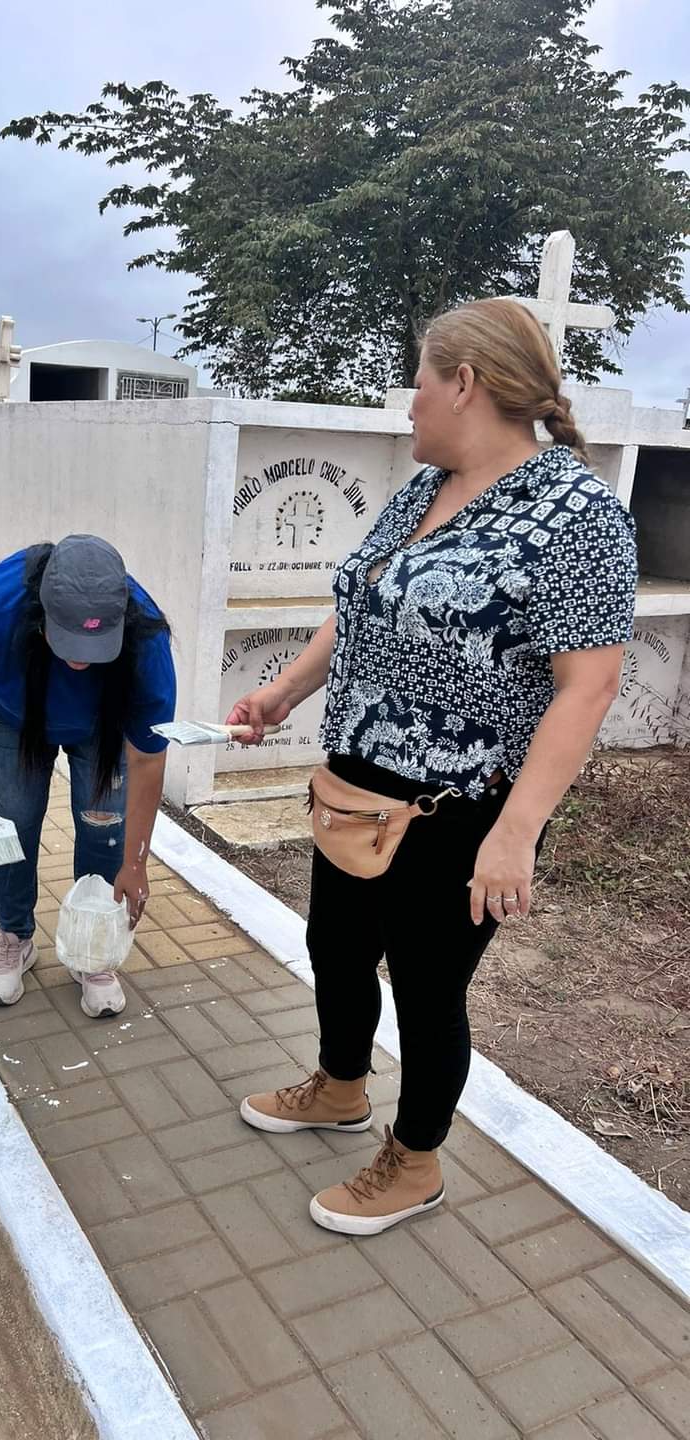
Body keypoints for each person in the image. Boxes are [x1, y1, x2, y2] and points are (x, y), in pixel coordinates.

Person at [230, 299, 637, 1236]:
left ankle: (415, 1161)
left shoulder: (577, 517)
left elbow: (588, 686)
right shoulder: (425, 489)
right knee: (335, 948)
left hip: (460, 804)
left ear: (465, 384)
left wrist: (517, 832)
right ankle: (340, 1085)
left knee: (425, 987)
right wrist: (284, 692)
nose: (407, 403)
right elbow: (362, 606)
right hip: (355, 785)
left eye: (417, 383)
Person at [0, 534, 176, 1018]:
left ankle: (92, 951)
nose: (80, 660)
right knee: (15, 820)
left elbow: (148, 758)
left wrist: (137, 862)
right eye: (68, 642)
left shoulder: (145, 639)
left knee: (103, 825)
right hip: (10, 714)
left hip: (102, 723)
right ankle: (14, 937)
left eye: (95, 646)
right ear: (39, 615)